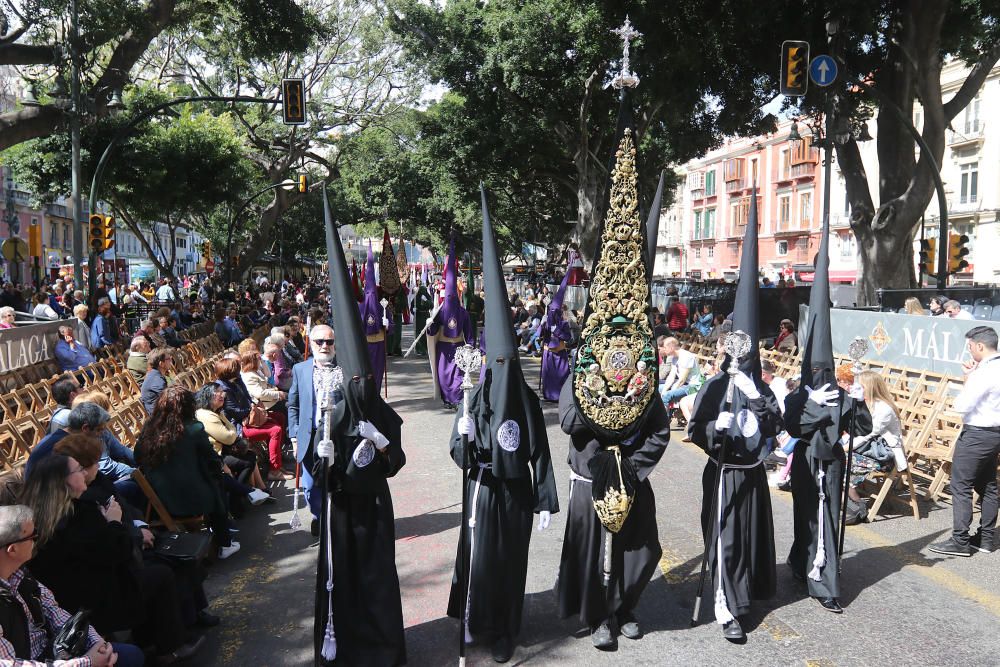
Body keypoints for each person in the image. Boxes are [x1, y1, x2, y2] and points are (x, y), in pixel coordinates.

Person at [448, 190, 559, 663]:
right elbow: (457, 450)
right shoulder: (474, 394)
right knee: (482, 561)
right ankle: (480, 618)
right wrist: (466, 433)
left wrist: (546, 498)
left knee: (511, 565)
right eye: (499, 362)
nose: (503, 368)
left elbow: (539, 449)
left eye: (509, 361)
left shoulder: (525, 399)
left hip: (514, 494)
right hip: (482, 487)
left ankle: (506, 630)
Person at [309, 192, 407, 665]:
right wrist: (322, 455)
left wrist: (382, 442)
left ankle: (384, 649)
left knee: (376, 577)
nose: (355, 384)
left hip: (373, 506)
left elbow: (397, 459)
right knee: (339, 577)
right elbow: (312, 462)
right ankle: (341, 646)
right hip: (338, 507)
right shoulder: (327, 401)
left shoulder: (369, 398)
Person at [688, 194, 781, 640]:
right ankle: (727, 610)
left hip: (753, 474)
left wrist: (756, 398)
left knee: (747, 538)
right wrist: (713, 428)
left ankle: (746, 593)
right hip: (723, 472)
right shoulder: (712, 386)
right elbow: (694, 428)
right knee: (725, 538)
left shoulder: (757, 385)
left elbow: (776, 423)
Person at [22, 446, 204, 663]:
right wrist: (114, 522)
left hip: (69, 599)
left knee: (150, 571)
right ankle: (169, 647)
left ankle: (149, 640)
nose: (84, 473)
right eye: (79, 470)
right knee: (160, 575)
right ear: (65, 482)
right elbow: (117, 552)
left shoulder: (38, 515)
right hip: (95, 601)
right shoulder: (77, 514)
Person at [783, 224, 871, 615]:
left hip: (831, 464)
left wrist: (858, 401)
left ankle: (825, 583)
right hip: (805, 463)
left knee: (827, 521)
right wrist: (812, 403)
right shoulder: (800, 395)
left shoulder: (839, 392)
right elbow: (793, 426)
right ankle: (800, 564)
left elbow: (861, 429)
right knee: (806, 516)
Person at [0, 505, 143, 667]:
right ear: (13, 550)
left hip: (55, 651)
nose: (37, 538)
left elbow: (52, 609)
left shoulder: (20, 574)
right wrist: (87, 662)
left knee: (130, 655)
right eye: (33, 535)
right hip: (38, 662)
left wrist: (95, 643)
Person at [134, 386, 241, 559]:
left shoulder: (149, 429)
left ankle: (226, 529)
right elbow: (212, 459)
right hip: (192, 500)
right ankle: (225, 541)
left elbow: (137, 457)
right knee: (216, 479)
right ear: (188, 406)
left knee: (212, 477)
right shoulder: (193, 429)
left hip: (159, 500)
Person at [929, 326, 1000, 556]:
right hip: (994, 433)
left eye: (970, 346)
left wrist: (967, 378)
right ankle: (986, 538)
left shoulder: (984, 373)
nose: (969, 351)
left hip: (978, 432)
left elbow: (962, 405)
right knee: (988, 485)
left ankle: (960, 540)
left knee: (961, 485)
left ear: (980, 346)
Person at [843, 371, 904, 525]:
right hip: (871, 450)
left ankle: (857, 506)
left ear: (869, 387)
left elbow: (868, 433)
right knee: (837, 461)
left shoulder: (884, 408)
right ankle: (851, 503)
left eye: (860, 386)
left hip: (885, 455)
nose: (857, 389)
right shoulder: (870, 403)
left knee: (842, 463)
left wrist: (846, 447)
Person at [193, 383, 271, 496]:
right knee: (248, 461)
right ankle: (241, 493)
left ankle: (253, 491)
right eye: (218, 392)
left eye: (222, 392)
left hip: (223, 450)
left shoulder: (216, 411)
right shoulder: (206, 415)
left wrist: (231, 431)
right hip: (216, 456)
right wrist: (232, 431)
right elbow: (229, 438)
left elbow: (230, 431)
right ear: (208, 395)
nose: (222, 395)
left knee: (250, 455)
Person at [427, 239, 473, 410]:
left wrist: (470, 346)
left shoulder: (463, 313)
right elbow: (432, 331)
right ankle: (447, 399)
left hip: (458, 347)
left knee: (458, 376)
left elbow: (468, 332)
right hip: (443, 349)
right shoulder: (440, 311)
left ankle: (458, 400)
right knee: (444, 376)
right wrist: (430, 322)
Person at [238, 352, 292, 481]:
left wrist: (263, 364)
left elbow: (268, 377)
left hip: (263, 406)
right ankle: (274, 469)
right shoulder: (249, 376)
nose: (261, 361)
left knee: (280, 417)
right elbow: (259, 393)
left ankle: (277, 458)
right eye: (259, 360)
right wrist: (278, 394)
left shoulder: (256, 372)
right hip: (258, 411)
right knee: (276, 428)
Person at [540, 265, 573, 403]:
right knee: (548, 376)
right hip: (548, 353)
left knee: (561, 375)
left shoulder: (564, 323)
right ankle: (548, 394)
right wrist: (544, 329)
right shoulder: (547, 320)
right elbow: (541, 335)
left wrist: (557, 331)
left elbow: (568, 337)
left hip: (559, 353)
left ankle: (561, 395)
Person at [659, 336, 705, 406]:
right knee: (658, 388)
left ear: (671, 347)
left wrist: (669, 392)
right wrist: (664, 390)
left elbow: (681, 380)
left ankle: (664, 416)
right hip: (683, 385)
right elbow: (671, 377)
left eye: (665, 347)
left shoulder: (686, 356)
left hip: (693, 387)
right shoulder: (674, 358)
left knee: (667, 396)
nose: (664, 350)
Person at [141, 347, 173, 414]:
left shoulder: (156, 374)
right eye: (168, 359)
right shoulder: (157, 380)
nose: (171, 360)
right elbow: (172, 399)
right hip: (163, 418)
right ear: (161, 364)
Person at [412, 276, 434, 357]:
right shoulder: (416, 298)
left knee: (425, 333)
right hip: (418, 316)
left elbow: (431, 306)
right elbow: (412, 306)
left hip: (425, 316)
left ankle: (425, 348)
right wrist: (413, 310)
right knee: (418, 333)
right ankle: (419, 349)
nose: (422, 292)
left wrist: (426, 301)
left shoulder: (427, 297)